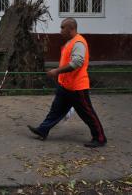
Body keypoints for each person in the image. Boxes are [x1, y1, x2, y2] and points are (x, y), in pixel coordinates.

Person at [27, 18, 107, 148]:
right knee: (56, 110)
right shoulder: (70, 42)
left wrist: (56, 71)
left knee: (87, 113)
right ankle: (42, 130)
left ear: (71, 28)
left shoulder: (79, 43)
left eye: (63, 27)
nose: (60, 31)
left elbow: (77, 63)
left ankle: (100, 138)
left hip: (77, 87)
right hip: (65, 86)